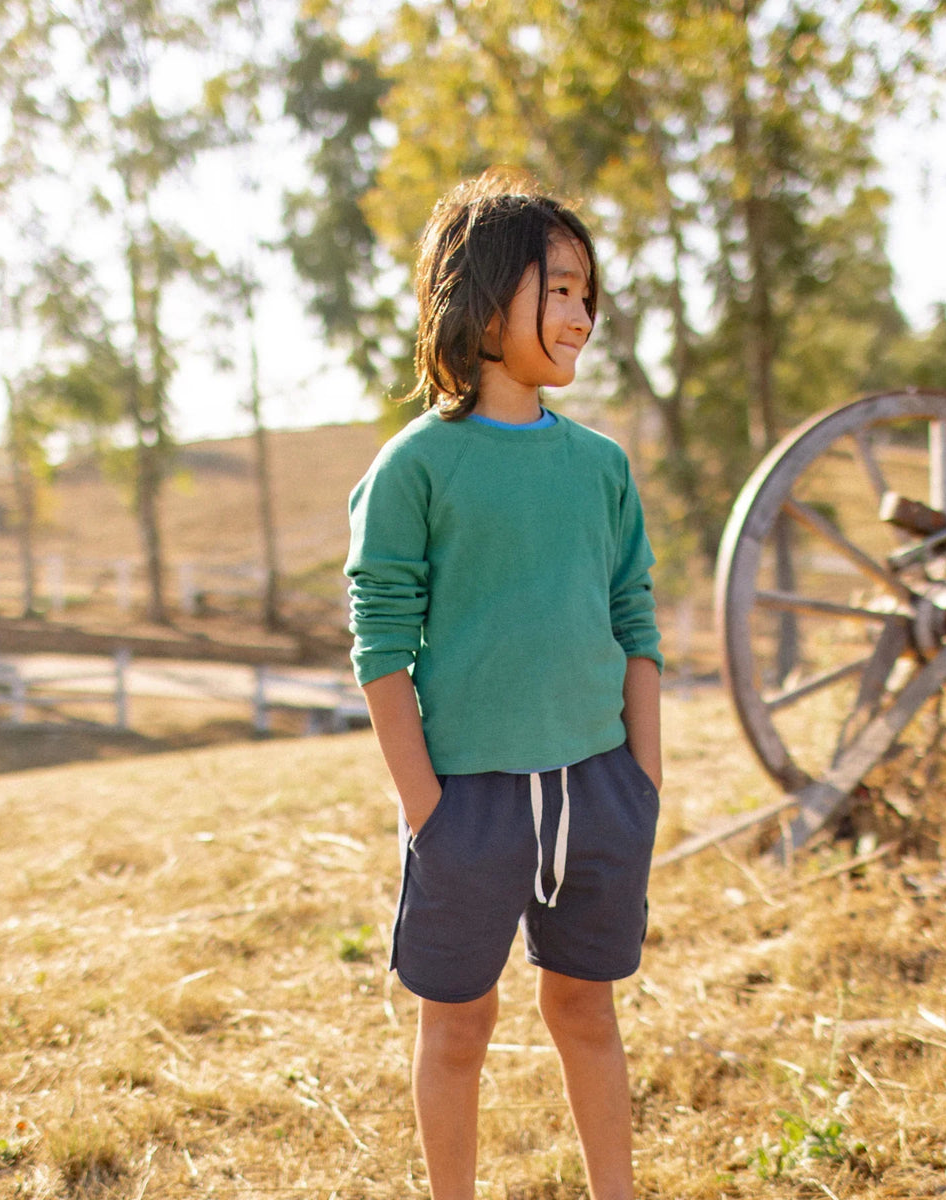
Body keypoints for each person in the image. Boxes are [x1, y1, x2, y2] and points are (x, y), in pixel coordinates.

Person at [344, 169, 663, 1200]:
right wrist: (425, 808)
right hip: (468, 806)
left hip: (600, 791)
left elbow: (635, 618)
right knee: (459, 1025)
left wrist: (642, 774)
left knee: (586, 1009)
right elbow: (381, 646)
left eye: (585, 295)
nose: (579, 316)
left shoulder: (601, 466)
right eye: (557, 290)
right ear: (484, 300)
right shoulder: (413, 470)